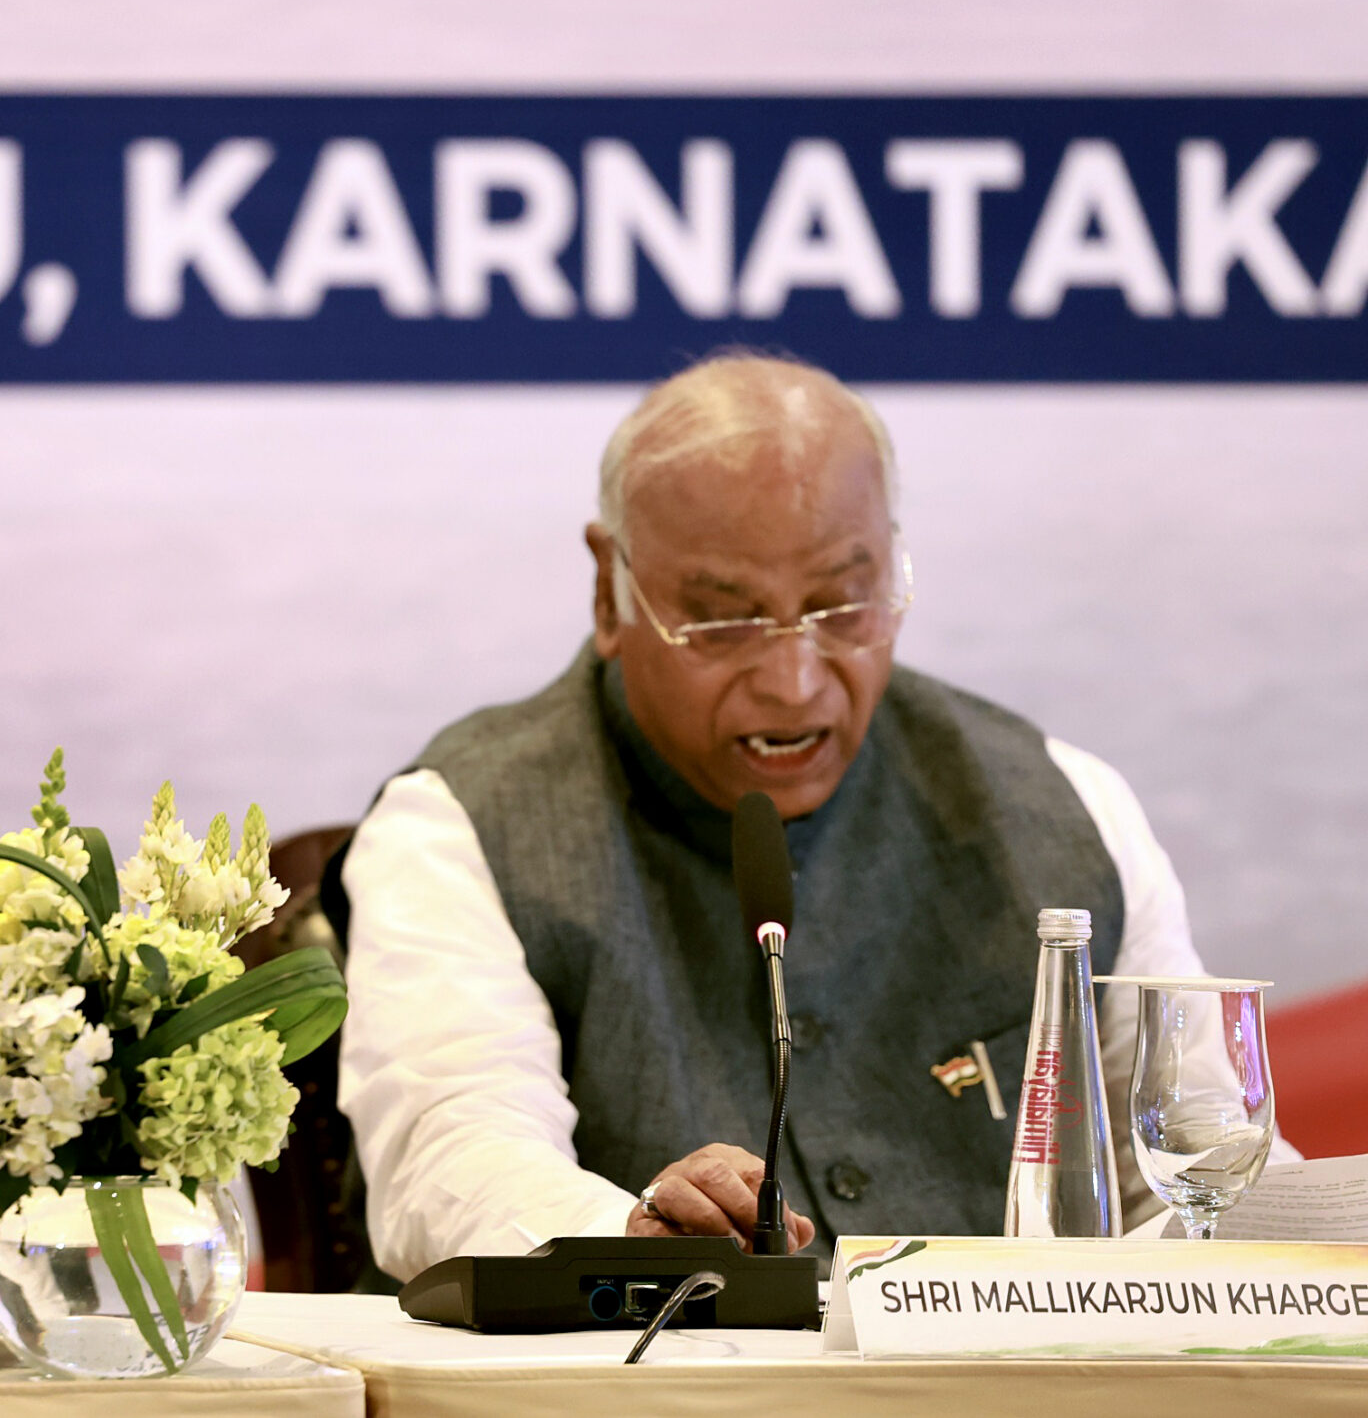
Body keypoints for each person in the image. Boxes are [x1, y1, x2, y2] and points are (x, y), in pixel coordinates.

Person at [335, 353, 1272, 1283]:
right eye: (722, 620)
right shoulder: (458, 827)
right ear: (609, 587)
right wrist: (631, 1232)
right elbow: (451, 1157)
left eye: (840, 604)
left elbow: (1202, 1176)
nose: (795, 681)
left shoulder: (1063, 805)